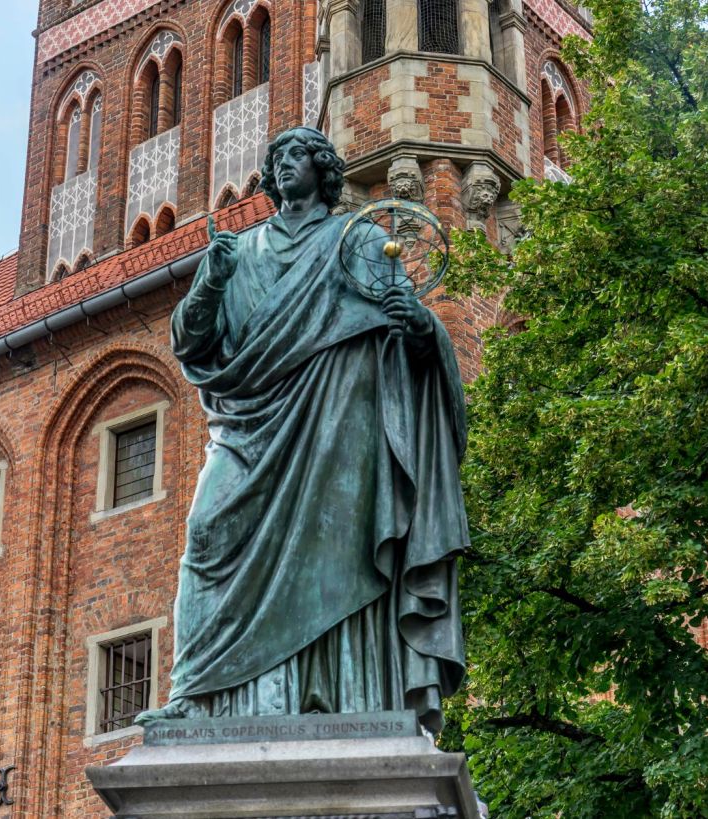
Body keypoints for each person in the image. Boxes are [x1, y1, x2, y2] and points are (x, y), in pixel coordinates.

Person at [136, 127, 468, 734]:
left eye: (296, 156)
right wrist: (211, 278)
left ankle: (349, 694)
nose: (284, 166)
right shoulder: (241, 251)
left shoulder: (358, 239)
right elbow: (191, 343)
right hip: (247, 425)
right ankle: (197, 690)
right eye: (277, 159)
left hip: (338, 422)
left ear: (322, 169)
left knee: (339, 549)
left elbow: (409, 329)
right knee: (207, 533)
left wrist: (418, 327)